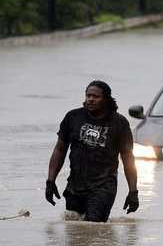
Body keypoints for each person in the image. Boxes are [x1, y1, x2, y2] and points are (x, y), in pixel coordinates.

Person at [45, 80, 139, 222]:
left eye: (95, 96)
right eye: (88, 95)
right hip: (75, 187)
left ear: (106, 99)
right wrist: (50, 181)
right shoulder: (73, 117)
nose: (90, 99)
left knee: (93, 226)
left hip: (103, 187)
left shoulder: (119, 123)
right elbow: (60, 150)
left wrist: (133, 191)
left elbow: (128, 158)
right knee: (74, 230)